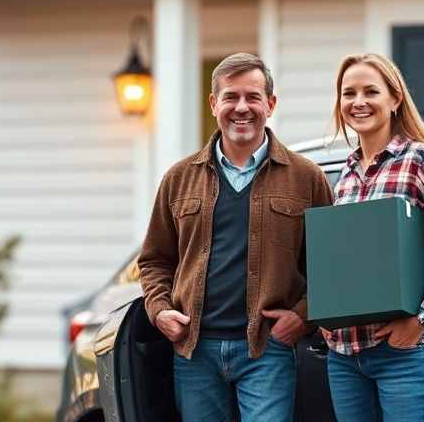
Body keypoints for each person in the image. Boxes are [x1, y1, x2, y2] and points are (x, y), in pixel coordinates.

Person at [137, 53, 334, 422]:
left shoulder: (307, 178)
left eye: (252, 97)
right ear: (214, 104)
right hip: (194, 352)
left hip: (267, 351)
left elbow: (329, 265)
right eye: (230, 97)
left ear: (270, 104)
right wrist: (160, 309)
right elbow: (154, 259)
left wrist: (303, 316)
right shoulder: (178, 179)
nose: (241, 107)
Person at [324, 53, 424, 421]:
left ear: (395, 99)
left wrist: (423, 319)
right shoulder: (346, 176)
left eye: (371, 91)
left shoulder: (420, 160)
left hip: (405, 354)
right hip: (345, 356)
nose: (358, 102)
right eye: (348, 93)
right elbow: (344, 260)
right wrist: (326, 315)